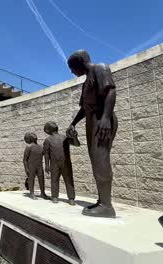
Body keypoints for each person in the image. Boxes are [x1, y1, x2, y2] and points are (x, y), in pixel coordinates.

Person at [66, 50, 118, 218]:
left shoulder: (100, 68)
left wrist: (105, 118)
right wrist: (73, 123)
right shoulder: (86, 81)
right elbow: (84, 108)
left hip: (101, 121)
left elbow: (110, 91)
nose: (72, 72)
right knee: (97, 161)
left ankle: (106, 206)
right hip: (92, 122)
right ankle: (102, 201)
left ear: (79, 63)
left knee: (101, 159)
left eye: (72, 68)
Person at [43, 121, 80, 205]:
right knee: (66, 180)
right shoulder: (60, 138)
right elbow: (46, 154)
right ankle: (64, 198)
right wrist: (74, 138)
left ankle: (62, 198)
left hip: (60, 163)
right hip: (61, 163)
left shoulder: (61, 138)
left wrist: (47, 165)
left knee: (58, 180)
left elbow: (46, 154)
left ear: (48, 130)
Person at [23, 132, 48, 199]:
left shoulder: (40, 147)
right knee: (31, 179)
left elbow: (45, 154)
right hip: (31, 166)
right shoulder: (29, 147)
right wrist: (26, 168)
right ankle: (31, 193)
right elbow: (25, 159)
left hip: (39, 165)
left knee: (41, 179)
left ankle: (42, 193)